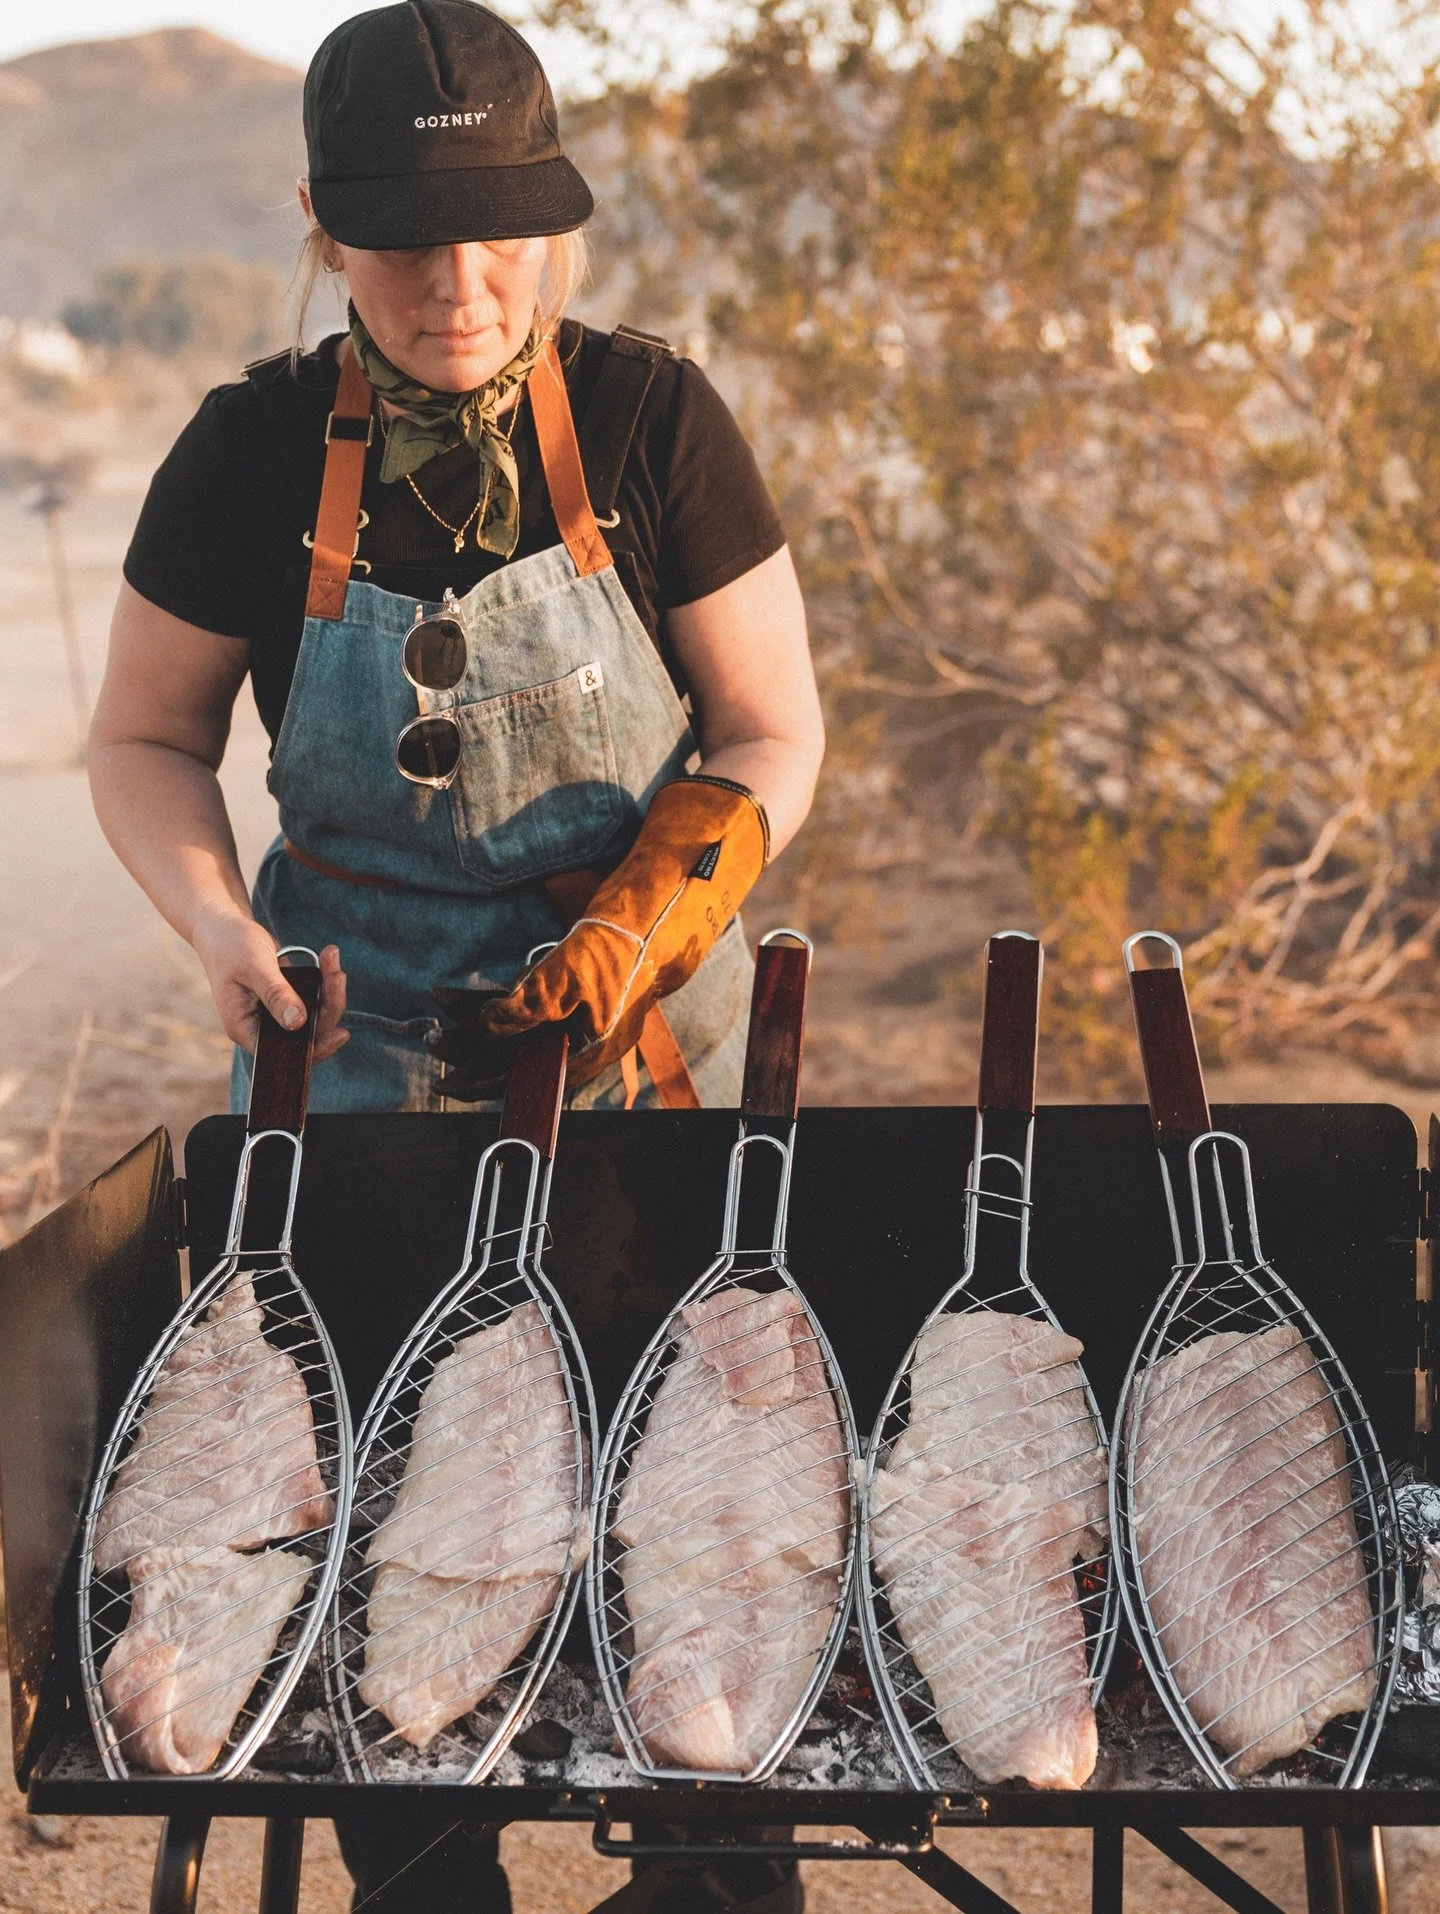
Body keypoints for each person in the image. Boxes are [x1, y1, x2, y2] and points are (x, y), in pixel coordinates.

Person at [88, 1, 822, 1907]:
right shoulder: (247, 453)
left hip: (646, 1083)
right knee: (397, 1653)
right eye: (407, 235)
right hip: (354, 1101)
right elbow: (147, 743)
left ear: (556, 222)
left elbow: (769, 732)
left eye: (500, 227)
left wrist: (646, 913)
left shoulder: (656, 419)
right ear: (328, 230)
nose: (459, 279)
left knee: (703, 1595)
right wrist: (223, 927)